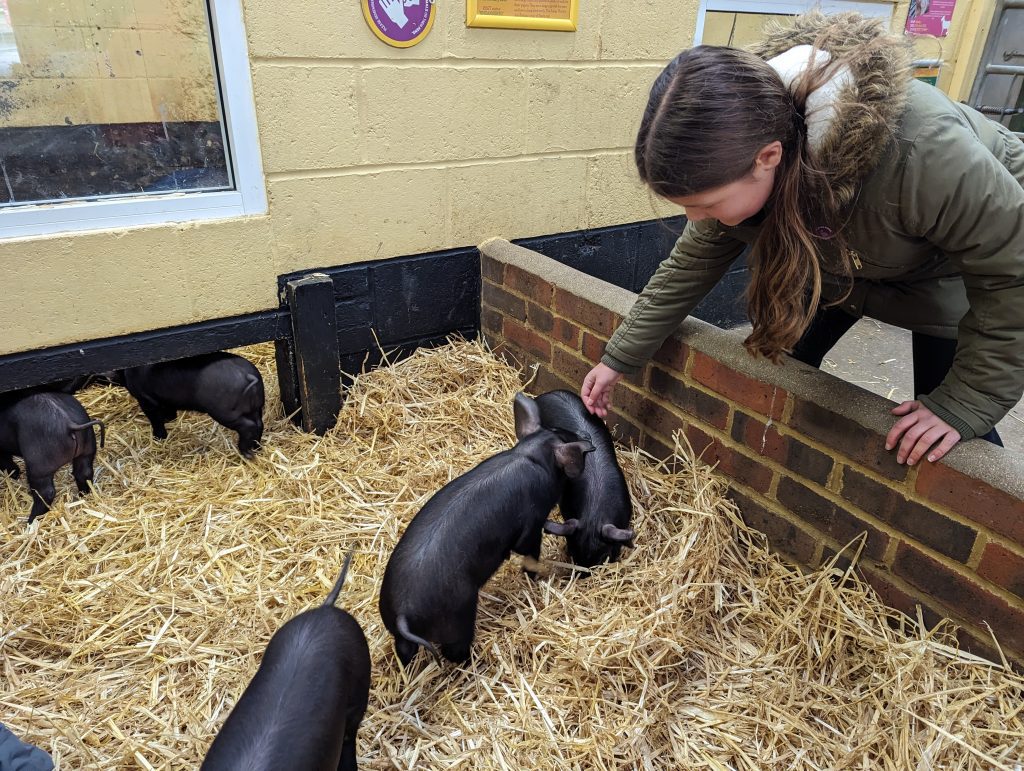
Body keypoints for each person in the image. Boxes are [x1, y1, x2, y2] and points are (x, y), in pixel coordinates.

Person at [581, 11, 1024, 466]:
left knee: (945, 434)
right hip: (842, 259)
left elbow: (1011, 274)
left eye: (709, 204)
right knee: (778, 373)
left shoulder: (926, 154)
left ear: (768, 156)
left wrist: (965, 403)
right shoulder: (745, 149)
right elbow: (689, 266)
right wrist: (620, 357)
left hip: (957, 269)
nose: (697, 218)